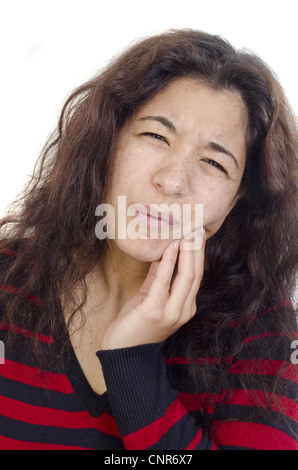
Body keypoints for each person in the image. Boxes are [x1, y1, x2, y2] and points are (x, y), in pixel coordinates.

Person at [0, 29, 297, 450]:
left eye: (214, 162)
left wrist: (133, 362)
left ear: (234, 201)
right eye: (156, 136)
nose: (173, 181)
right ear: (107, 141)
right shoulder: (7, 281)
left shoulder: (260, 329)